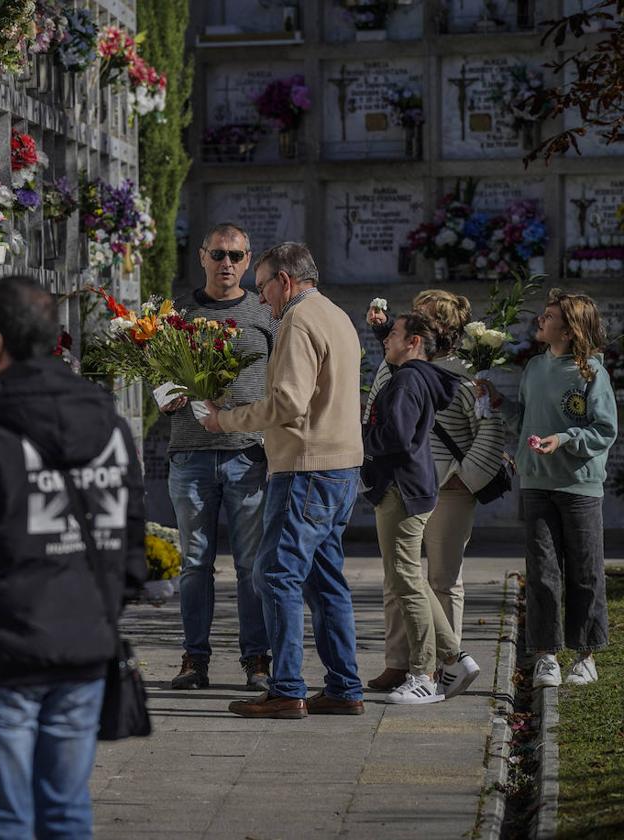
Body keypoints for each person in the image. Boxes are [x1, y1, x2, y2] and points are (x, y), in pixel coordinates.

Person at [0, 275, 147, 837]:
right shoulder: (107, 423)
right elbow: (133, 546)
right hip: (85, 650)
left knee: (4, 818)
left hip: (3, 656)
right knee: (65, 812)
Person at [200, 242, 364, 719]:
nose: (263, 300)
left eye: (263, 288)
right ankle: (344, 686)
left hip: (306, 469)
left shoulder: (297, 320)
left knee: (275, 573)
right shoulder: (335, 313)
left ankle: (287, 688)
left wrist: (225, 420)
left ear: (285, 281)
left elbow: (288, 403)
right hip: (341, 466)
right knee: (325, 580)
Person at [362, 290, 504, 694]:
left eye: (421, 317)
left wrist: (466, 476)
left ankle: (433, 670)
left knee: (439, 579)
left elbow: (487, 429)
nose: (407, 320)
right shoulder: (406, 369)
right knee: (402, 579)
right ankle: (403, 661)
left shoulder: (460, 375)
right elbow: (379, 405)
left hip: (442, 486)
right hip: (413, 481)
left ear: (435, 331)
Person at [479, 290, 618, 688]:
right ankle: (546, 656)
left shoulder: (592, 373)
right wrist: (498, 402)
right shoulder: (535, 367)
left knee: (585, 571)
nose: (540, 319)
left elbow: (604, 430)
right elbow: (524, 421)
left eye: (549, 315)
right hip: (536, 483)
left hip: (579, 487)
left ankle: (585, 654)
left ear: (569, 329)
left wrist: (566, 438)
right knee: (542, 572)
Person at [161, 222, 276, 692]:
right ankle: (194, 659)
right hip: (190, 452)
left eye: (236, 255)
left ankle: (256, 660)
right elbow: (159, 365)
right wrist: (165, 396)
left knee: (252, 564)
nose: (226, 264)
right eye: (218, 254)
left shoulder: (264, 313)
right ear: (202, 258)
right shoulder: (179, 311)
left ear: (248, 261)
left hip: (247, 454)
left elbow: (283, 371)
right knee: (195, 563)